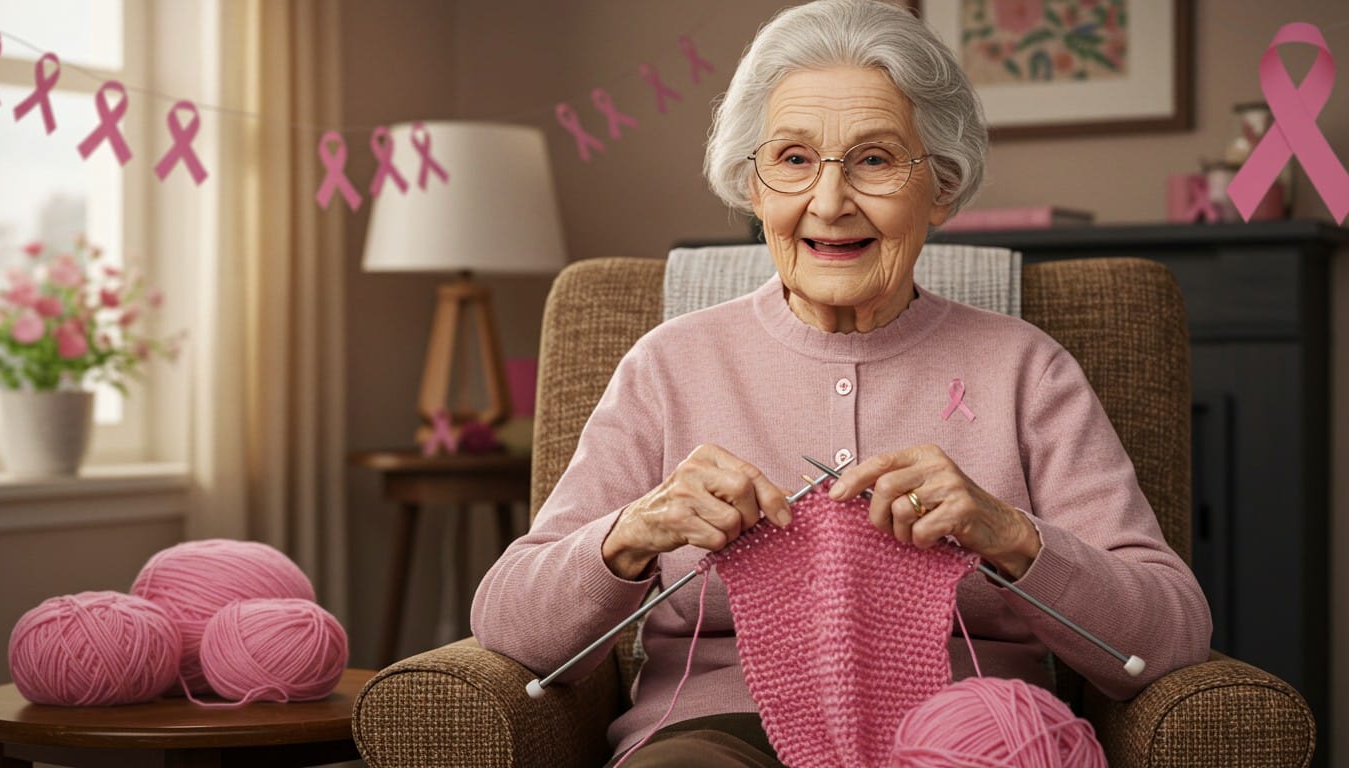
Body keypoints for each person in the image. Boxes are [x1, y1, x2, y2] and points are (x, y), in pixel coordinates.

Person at [472, 1, 1212, 765]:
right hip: (713, 738)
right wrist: (630, 534)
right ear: (753, 189)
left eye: (875, 159)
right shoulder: (670, 365)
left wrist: (1013, 536)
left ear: (943, 187)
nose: (829, 203)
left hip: (966, 739)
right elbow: (507, 624)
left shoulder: (1028, 369)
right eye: (792, 159)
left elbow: (1172, 634)